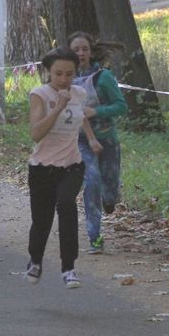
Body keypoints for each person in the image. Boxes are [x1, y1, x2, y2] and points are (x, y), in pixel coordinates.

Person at [25, 47, 103, 289]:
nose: (63, 79)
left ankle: (69, 268)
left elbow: (80, 117)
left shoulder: (78, 93)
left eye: (69, 74)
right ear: (48, 71)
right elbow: (36, 133)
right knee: (42, 220)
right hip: (42, 167)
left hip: (71, 164)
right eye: (58, 74)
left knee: (67, 205)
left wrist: (90, 138)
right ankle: (35, 260)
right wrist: (57, 107)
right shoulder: (39, 94)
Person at [67, 32, 128, 254]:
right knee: (92, 181)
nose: (81, 53)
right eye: (76, 50)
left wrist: (97, 111)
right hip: (80, 141)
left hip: (107, 139)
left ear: (91, 51)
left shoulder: (103, 77)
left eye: (84, 49)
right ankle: (95, 236)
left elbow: (121, 106)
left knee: (109, 186)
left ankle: (110, 198)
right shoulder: (65, 78)